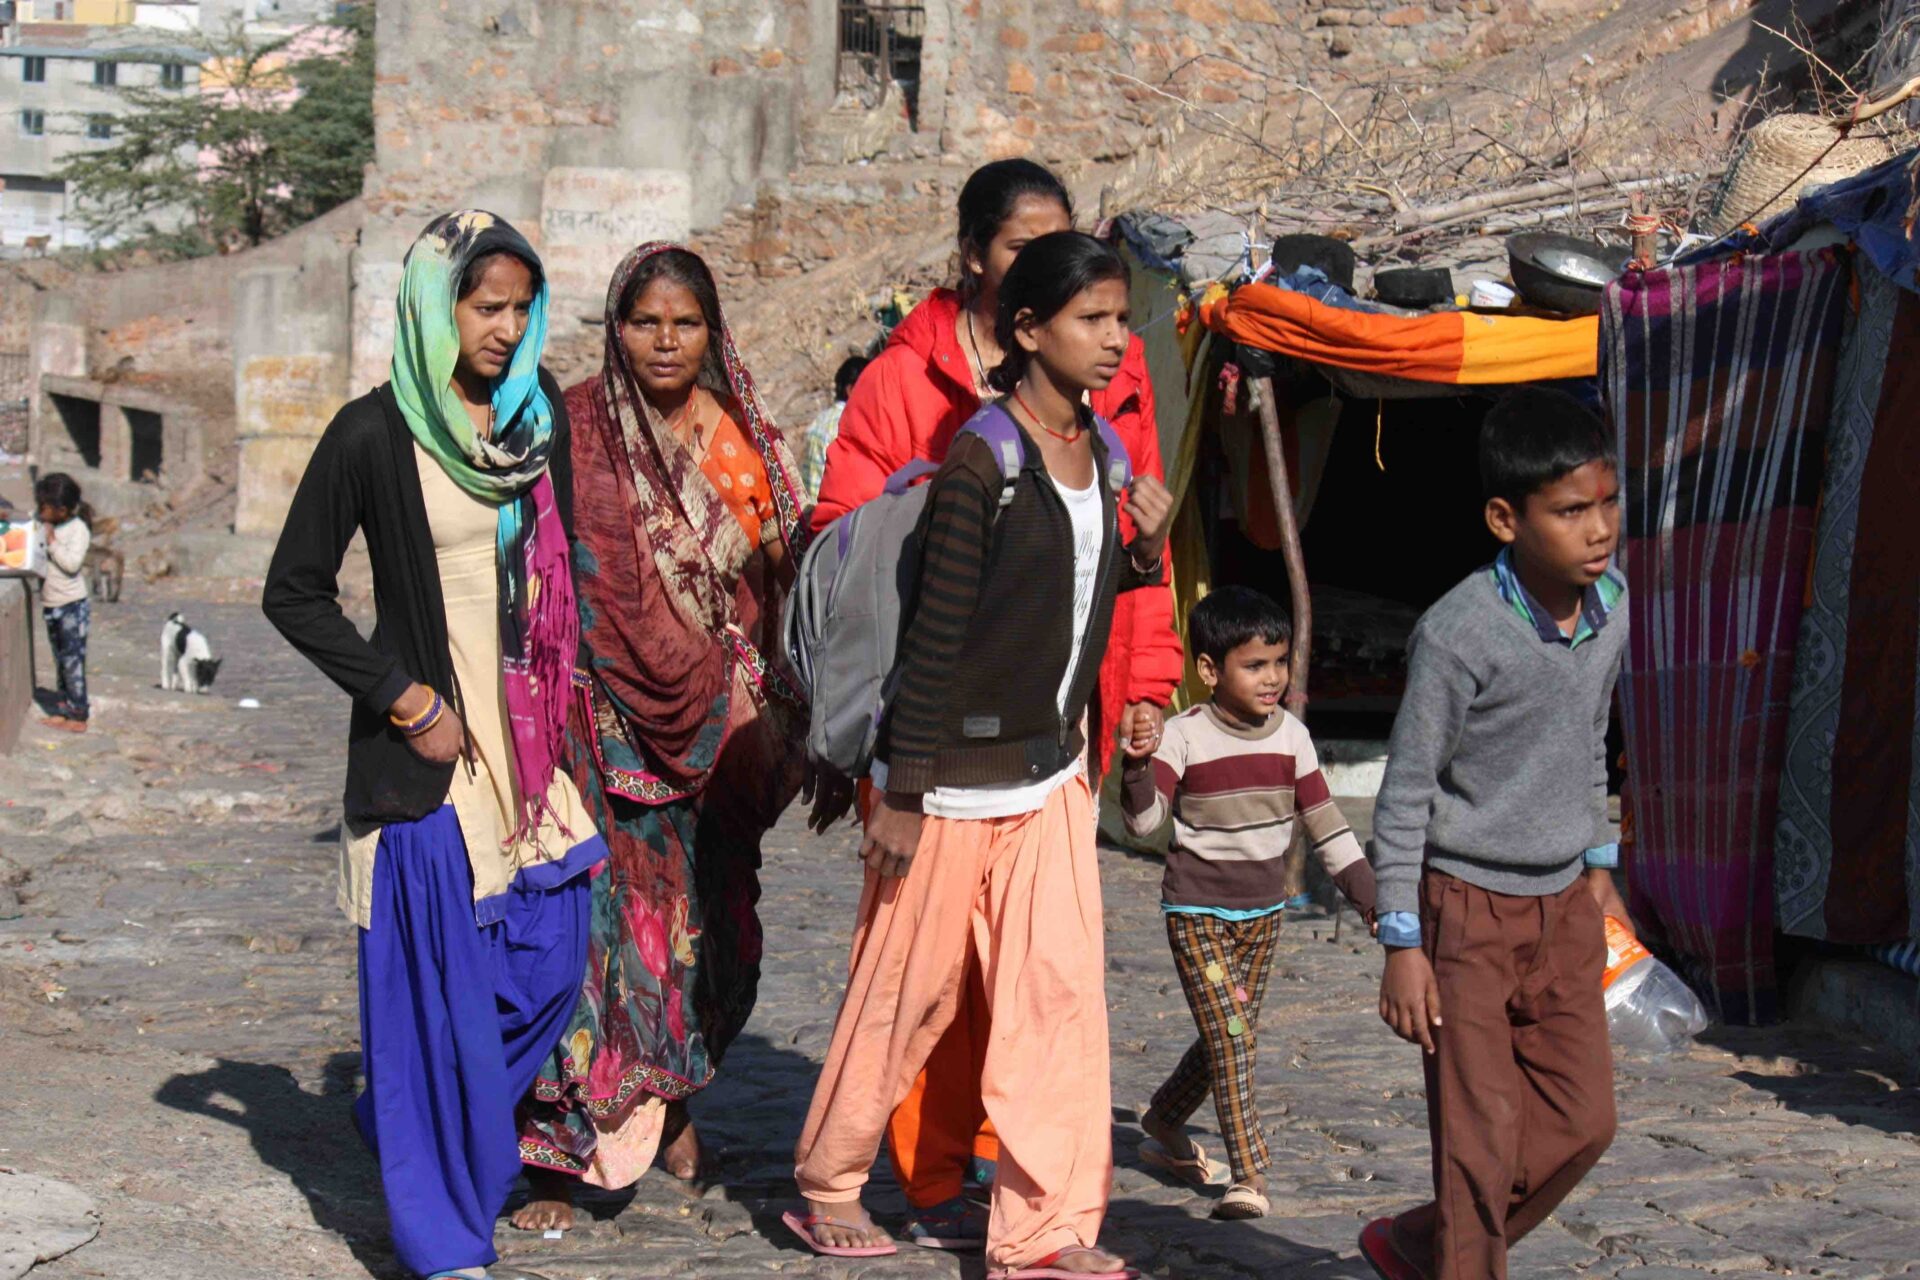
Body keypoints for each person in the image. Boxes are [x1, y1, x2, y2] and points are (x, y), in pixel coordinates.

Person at [811, 156, 1182, 1250]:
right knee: (904, 998)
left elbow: (1094, 595)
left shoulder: (1105, 445)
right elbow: (930, 631)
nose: (1119, 341)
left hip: (1050, 769)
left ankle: (1048, 1223)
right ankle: (834, 1180)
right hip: (946, 774)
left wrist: (1149, 562)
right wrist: (902, 787)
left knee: (1057, 1002)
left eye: (1122, 317)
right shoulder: (977, 455)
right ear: (1023, 317)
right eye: (1095, 318)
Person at [263, 211, 602, 1280]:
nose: (507, 327)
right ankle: (447, 1233)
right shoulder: (372, 433)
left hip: (530, 748)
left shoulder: (529, 416)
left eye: (519, 305)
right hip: (431, 757)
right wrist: (403, 696)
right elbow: (293, 592)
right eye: (484, 305)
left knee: (551, 960)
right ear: (433, 304)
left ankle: (417, 1117)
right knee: (437, 998)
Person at [513, 243, 810, 1226]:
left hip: (717, 736)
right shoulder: (576, 427)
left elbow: (787, 578)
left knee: (705, 937)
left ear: (712, 328)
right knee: (593, 944)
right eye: (646, 321)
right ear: (615, 325)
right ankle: (559, 1157)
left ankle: (674, 1096)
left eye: (685, 322)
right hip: (595, 728)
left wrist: (781, 707)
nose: (666, 340)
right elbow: (543, 560)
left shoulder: (743, 438)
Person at [1359, 386, 1631, 1280]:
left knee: (1584, 1121)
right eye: (1570, 512)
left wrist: (1599, 859)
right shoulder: (1457, 633)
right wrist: (1402, 940)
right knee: (1479, 1144)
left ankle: (1420, 1243)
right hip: (1465, 914)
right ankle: (1462, 1254)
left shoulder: (1612, 609)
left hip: (1565, 910)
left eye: (1607, 503)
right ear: (1505, 518)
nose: (1598, 529)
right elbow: (1404, 793)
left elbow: (1589, 738)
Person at [1121, 585, 1377, 1221]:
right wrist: (1136, 765)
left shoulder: (1292, 736)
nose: (1273, 678)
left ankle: (1163, 1118)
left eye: (1280, 662)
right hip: (1197, 915)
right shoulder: (1182, 737)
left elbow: (1327, 827)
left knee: (1223, 1037)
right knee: (1234, 1037)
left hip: (1263, 920)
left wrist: (1373, 898)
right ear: (1210, 670)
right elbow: (1144, 821)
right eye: (1255, 665)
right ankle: (1249, 1173)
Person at [33, 472, 90, 732]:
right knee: (59, 659)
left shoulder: (77, 530)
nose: (40, 512)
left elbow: (72, 564)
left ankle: (79, 714)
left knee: (73, 662)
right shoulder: (44, 525)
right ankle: (62, 708)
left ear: (62, 510)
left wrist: (52, 543)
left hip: (71, 605)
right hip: (51, 603)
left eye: (45, 508)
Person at [798, 354, 869, 502]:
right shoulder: (848, 424)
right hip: (834, 513)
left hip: (809, 510)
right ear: (851, 390)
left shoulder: (821, 419)